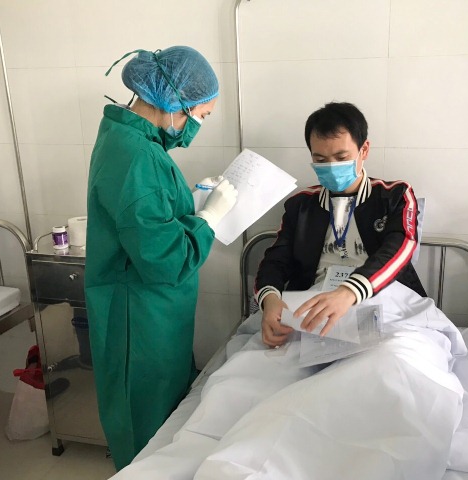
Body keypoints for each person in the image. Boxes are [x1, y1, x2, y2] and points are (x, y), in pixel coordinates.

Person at [85, 46, 237, 470]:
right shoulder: (137, 157)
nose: (197, 126)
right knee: (145, 427)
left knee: (165, 420)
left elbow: (147, 218)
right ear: (174, 103)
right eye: (200, 115)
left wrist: (189, 204)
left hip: (153, 313)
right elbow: (165, 259)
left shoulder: (131, 139)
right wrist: (208, 219)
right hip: (140, 318)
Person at [255, 102, 426, 347]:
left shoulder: (394, 196)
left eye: (341, 157)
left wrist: (349, 292)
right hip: (314, 303)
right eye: (320, 159)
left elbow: (399, 248)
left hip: (380, 299)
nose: (332, 167)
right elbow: (276, 260)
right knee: (270, 362)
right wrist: (270, 299)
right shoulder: (301, 205)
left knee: (392, 355)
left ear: (364, 150)